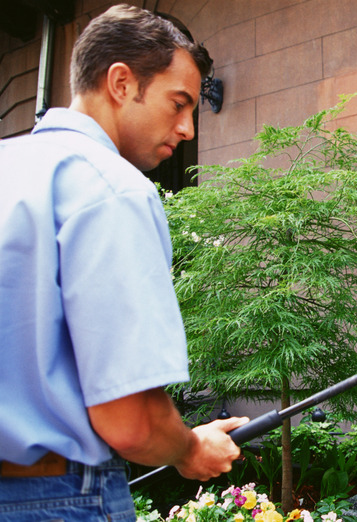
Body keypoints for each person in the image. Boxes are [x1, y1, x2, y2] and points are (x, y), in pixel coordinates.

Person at [0, 5, 248, 520]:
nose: (187, 129)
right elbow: (130, 422)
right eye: (178, 104)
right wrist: (189, 448)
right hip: (58, 497)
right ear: (120, 83)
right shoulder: (112, 188)